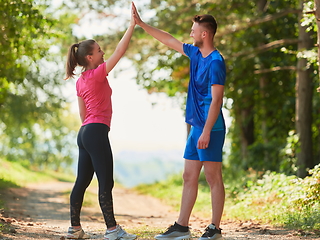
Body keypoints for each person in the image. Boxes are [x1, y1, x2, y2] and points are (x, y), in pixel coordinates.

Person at [132, 3, 226, 240]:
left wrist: (205, 132)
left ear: (205, 33)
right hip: (197, 127)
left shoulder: (216, 62)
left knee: (213, 177)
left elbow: (216, 101)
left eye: (194, 30)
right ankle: (182, 227)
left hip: (210, 128)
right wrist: (142, 24)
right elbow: (168, 39)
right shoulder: (195, 53)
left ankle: (215, 228)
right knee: (188, 176)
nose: (191, 33)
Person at [64, 4, 137, 240]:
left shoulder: (81, 81)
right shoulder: (97, 74)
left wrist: (92, 130)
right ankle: (112, 230)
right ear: (89, 57)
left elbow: (83, 115)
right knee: (106, 181)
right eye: (99, 50)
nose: (103, 52)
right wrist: (131, 25)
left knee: (81, 182)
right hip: (95, 132)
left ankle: (75, 229)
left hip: (84, 133)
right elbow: (120, 51)